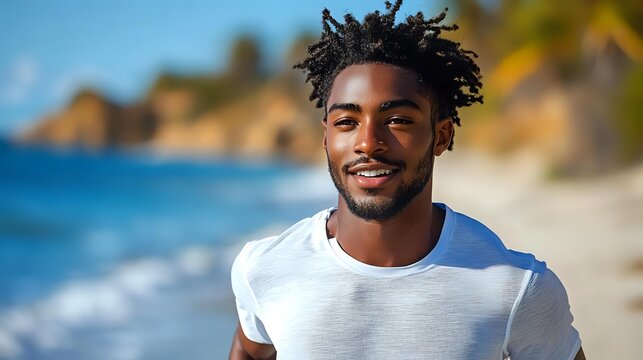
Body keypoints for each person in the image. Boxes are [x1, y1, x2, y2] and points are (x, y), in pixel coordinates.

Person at [229, 1, 585, 359]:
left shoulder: (516, 287)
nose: (368, 143)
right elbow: (249, 348)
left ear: (441, 136)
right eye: (346, 122)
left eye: (398, 120)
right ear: (326, 139)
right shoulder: (264, 270)